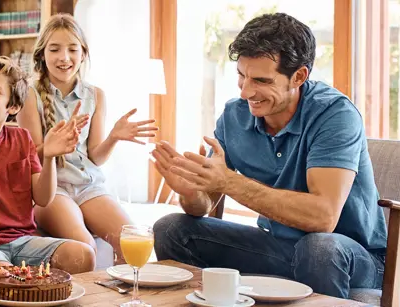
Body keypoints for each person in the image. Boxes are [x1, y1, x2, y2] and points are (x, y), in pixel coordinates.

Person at [151, 12, 387, 298]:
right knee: (172, 229)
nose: (246, 92)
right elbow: (204, 205)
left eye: (261, 80)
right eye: (241, 76)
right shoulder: (234, 116)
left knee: (319, 248)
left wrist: (227, 182)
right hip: (277, 248)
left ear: (299, 76)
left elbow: (323, 218)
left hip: (351, 257)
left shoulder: (334, 115)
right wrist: (190, 193)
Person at [16, 14, 158, 255]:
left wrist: (113, 137)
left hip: (88, 187)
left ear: (83, 54)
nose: (64, 57)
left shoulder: (95, 95)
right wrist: (53, 147)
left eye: (73, 49)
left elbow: (96, 158)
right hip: (51, 190)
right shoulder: (30, 94)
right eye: (55, 49)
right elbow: (29, 159)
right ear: (42, 54)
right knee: (85, 248)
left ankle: (122, 293)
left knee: (133, 242)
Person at [0, 55, 96, 274]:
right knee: (6, 276)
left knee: (83, 255)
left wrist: (48, 156)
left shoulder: (21, 138)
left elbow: (43, 198)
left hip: (22, 240)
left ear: (13, 106)